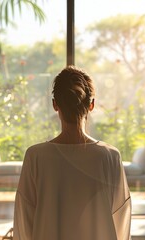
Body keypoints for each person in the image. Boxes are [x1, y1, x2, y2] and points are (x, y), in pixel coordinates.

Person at [13, 65, 131, 240]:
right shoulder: (109, 156)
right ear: (91, 105)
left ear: (55, 104)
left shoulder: (36, 156)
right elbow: (120, 222)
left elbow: (24, 222)